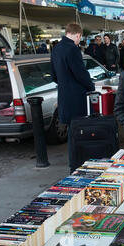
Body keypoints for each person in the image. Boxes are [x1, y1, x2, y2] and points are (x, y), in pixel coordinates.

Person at [50, 23, 95, 172]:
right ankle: (77, 164)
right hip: (76, 97)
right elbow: (80, 73)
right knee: (78, 132)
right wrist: (90, 86)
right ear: (77, 35)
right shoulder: (73, 49)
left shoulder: (56, 49)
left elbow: (53, 75)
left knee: (71, 130)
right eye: (79, 37)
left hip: (63, 95)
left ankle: (73, 163)